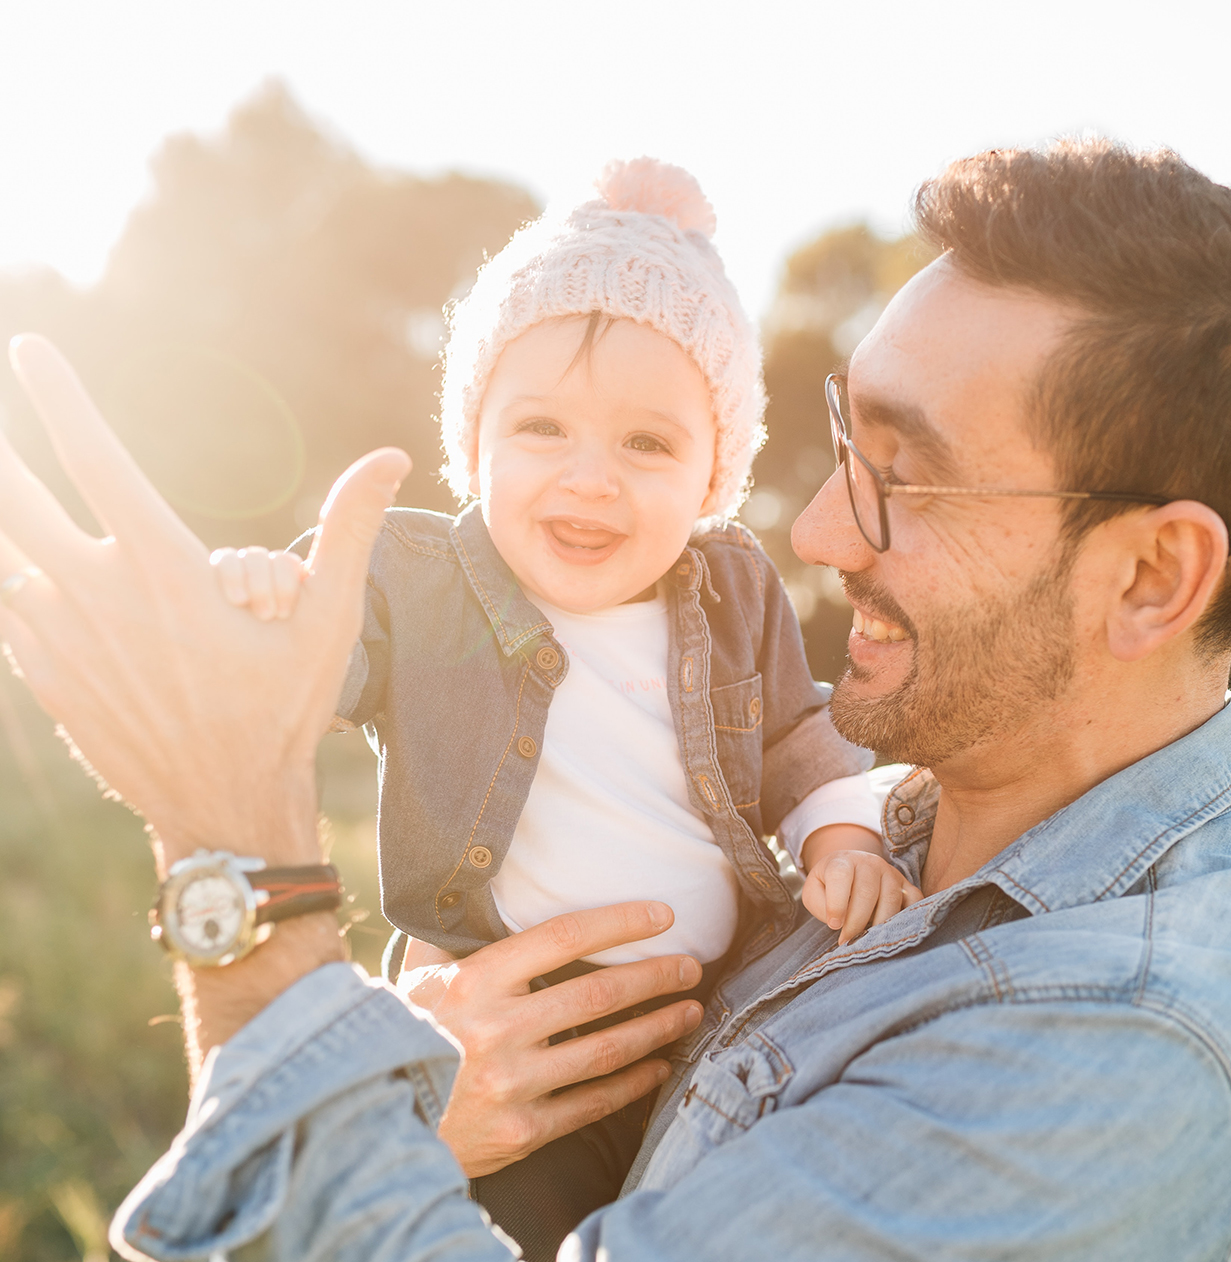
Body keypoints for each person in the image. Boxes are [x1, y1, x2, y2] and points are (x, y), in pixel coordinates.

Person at [0, 137, 1231, 1261]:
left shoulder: (1116, 1057)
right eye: (844, 440)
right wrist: (413, 1109)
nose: (819, 531)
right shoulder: (889, 830)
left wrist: (234, 851)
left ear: (1151, 576)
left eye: (908, 475)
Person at [205, 156, 908, 1259]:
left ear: (714, 473)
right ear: (474, 438)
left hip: (707, 1035)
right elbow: (307, 664)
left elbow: (794, 736)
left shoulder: (731, 590)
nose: (591, 479)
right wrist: (266, 607)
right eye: (542, 429)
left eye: (647, 443)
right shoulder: (418, 577)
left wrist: (846, 834)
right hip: (504, 1024)